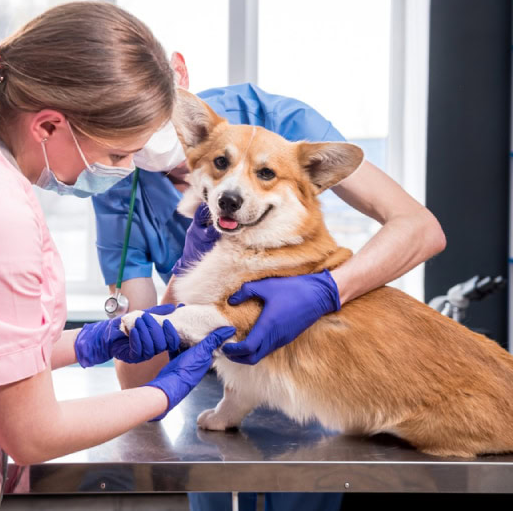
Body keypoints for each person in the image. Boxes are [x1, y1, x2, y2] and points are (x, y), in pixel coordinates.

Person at [0, 2, 234, 510]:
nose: (120, 170)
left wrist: (90, 342)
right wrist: (162, 392)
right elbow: (31, 435)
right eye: (118, 155)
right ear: (49, 126)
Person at [92, 53, 447, 511]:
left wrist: (326, 290)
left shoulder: (277, 123)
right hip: (212, 373)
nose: (131, 138)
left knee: (305, 490)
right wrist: (189, 279)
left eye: (141, 113)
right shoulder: (117, 179)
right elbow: (138, 377)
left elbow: (420, 228)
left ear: (178, 75)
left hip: (308, 368)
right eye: (114, 127)